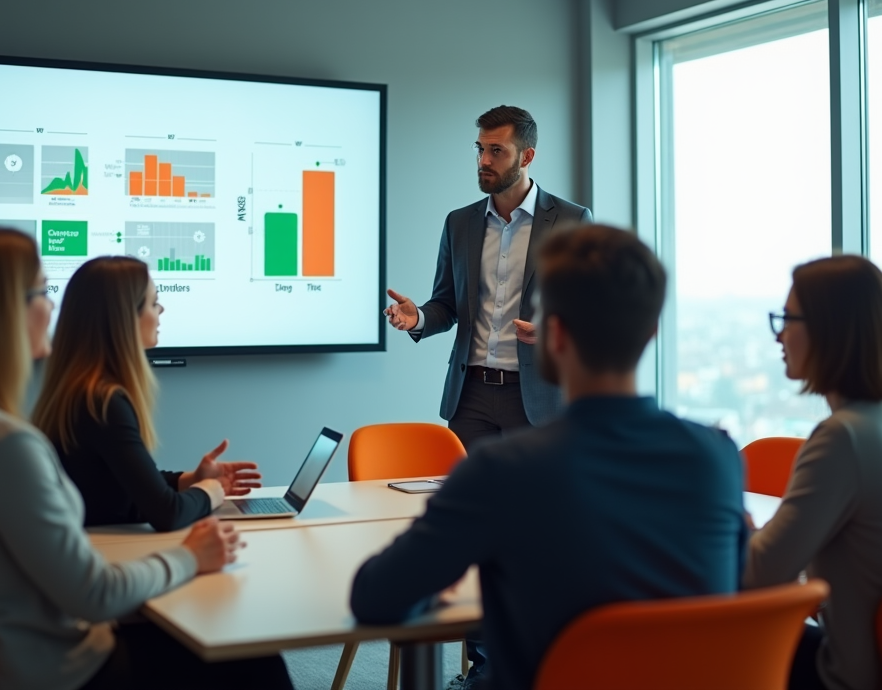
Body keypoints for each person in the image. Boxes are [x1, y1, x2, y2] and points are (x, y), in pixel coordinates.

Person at [0, 228, 293, 690]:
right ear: (1, 313)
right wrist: (190, 557)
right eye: (43, 292)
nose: (53, 308)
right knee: (252, 658)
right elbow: (95, 595)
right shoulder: (4, 447)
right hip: (57, 672)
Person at [353, 224, 748, 690]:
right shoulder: (717, 459)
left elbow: (375, 598)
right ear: (651, 332)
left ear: (554, 334)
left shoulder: (502, 470)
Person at [384, 105, 593, 451]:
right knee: (474, 504)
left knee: (532, 505)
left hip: (537, 398)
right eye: (480, 149)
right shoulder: (459, 223)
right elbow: (447, 304)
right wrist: (418, 317)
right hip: (470, 398)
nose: (484, 160)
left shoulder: (572, 221)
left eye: (497, 151)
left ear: (526, 156)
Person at [32, 256, 261, 532]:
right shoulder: (103, 402)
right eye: (153, 302)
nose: (161, 310)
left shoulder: (81, 390)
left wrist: (191, 481)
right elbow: (168, 514)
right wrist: (211, 490)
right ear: (124, 318)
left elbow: (125, 484)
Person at [746, 255, 882, 690]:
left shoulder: (842, 437)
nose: (779, 335)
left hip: (842, 674)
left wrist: (736, 524)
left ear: (829, 329)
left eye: (789, 318)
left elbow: (760, 576)